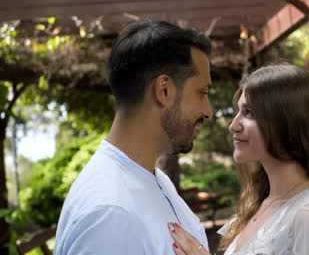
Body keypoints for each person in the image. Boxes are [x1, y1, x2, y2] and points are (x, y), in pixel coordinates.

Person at [167, 63, 309, 254]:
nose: (233, 125)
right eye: (238, 111)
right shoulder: (260, 203)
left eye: (249, 113)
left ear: (287, 122)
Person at [54, 20, 213, 254]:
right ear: (164, 91)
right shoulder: (111, 215)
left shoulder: (153, 179)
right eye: (202, 93)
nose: (208, 111)